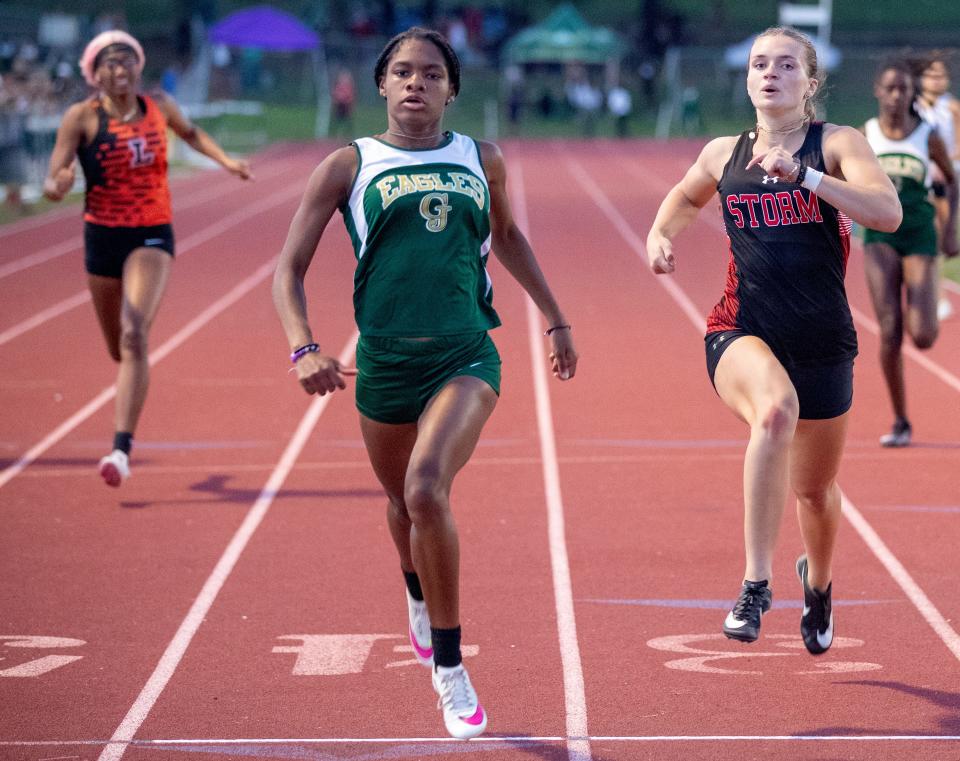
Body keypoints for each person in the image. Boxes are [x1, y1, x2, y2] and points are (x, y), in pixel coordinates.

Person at [272, 28, 577, 739]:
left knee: (425, 487)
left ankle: (449, 667)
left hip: (466, 355)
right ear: (380, 84)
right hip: (382, 362)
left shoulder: (482, 158)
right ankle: (416, 591)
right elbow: (286, 270)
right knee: (399, 502)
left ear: (452, 88)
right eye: (402, 71)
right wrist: (303, 349)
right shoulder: (348, 165)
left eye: (432, 73)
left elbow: (506, 237)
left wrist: (556, 317)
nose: (416, 83)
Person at [645, 27, 901, 654]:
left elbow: (886, 213)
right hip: (742, 327)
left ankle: (818, 584)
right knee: (774, 411)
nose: (770, 73)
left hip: (823, 339)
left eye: (786, 65)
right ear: (748, 77)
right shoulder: (721, 153)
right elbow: (684, 196)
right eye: (760, 63)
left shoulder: (837, 143)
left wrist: (807, 179)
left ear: (809, 82)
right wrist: (660, 234)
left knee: (814, 491)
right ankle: (755, 584)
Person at [43, 30, 252, 487]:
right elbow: (55, 174)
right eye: (110, 64)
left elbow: (193, 135)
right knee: (117, 347)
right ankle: (128, 388)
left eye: (127, 62)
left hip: (152, 233)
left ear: (139, 67)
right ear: (94, 73)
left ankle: (120, 450)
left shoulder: (160, 107)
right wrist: (56, 183)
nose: (120, 71)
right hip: (102, 235)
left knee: (135, 333)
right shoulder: (81, 117)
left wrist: (227, 161)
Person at [862, 58, 958, 447]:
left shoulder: (927, 135)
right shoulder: (864, 134)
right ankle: (901, 419)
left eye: (904, 89)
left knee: (922, 336)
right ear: (878, 92)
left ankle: (930, 281)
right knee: (889, 331)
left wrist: (950, 230)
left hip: (919, 233)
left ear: (911, 94)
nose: (897, 95)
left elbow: (953, 182)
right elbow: (835, 178)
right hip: (880, 236)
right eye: (890, 88)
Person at [914, 51, 960, 321]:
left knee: (941, 237)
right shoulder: (912, 106)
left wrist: (946, 160)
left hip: (946, 177)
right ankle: (929, 292)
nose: (935, 80)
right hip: (917, 179)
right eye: (930, 75)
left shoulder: (952, 108)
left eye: (940, 75)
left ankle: (935, 290)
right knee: (924, 234)